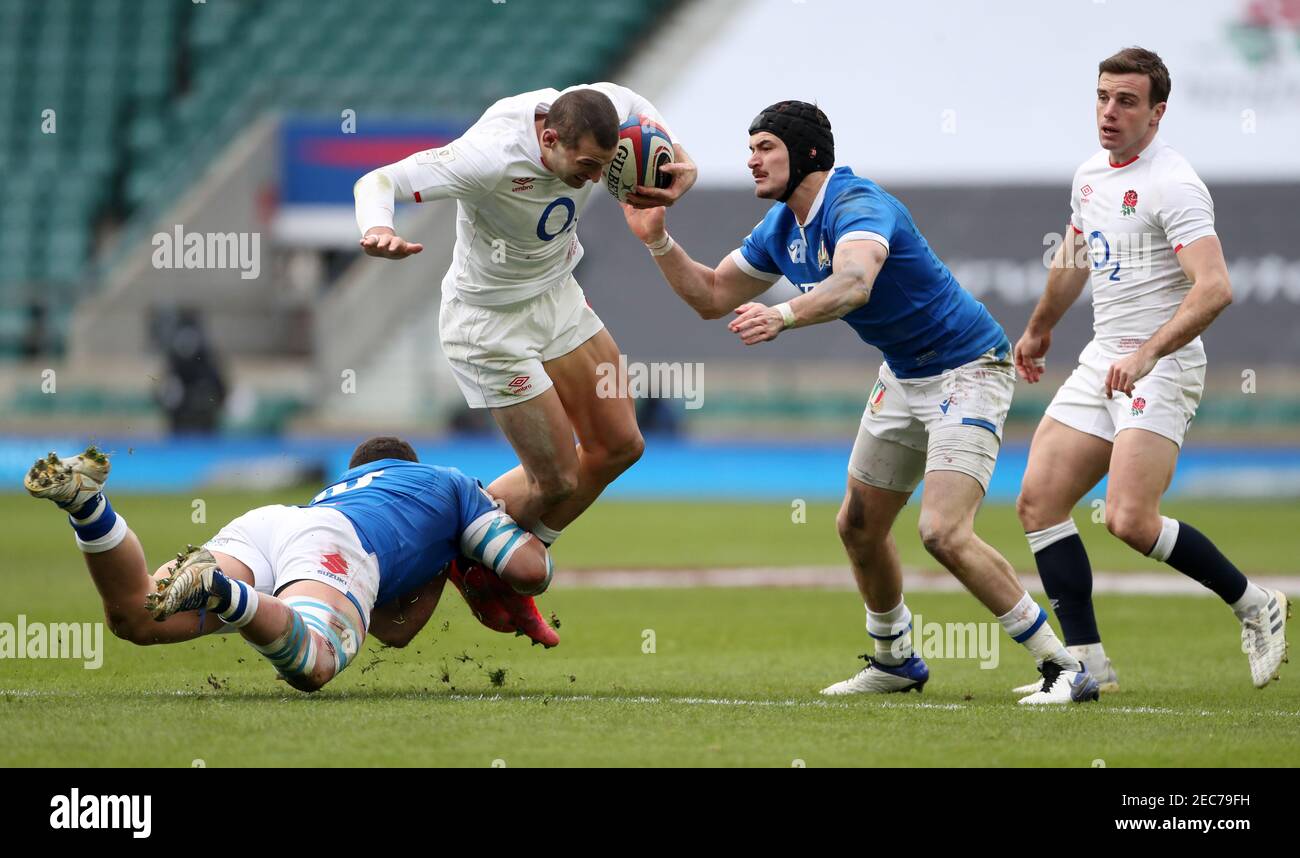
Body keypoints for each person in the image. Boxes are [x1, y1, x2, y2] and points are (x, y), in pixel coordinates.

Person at [622, 100, 1097, 704]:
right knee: (858, 525)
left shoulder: (857, 204)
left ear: (807, 154)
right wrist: (658, 240)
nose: (752, 159)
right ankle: (895, 660)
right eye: (750, 148)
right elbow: (713, 295)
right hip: (904, 375)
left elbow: (855, 282)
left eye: (765, 146)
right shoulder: (782, 227)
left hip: (967, 369)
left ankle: (1063, 668)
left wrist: (784, 314)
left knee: (943, 532)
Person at [1012, 47, 1289, 692]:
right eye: (1103, 97)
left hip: (1159, 366)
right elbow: (1075, 255)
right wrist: (1039, 326)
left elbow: (1215, 288)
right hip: (1101, 361)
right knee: (1039, 502)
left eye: (1127, 101)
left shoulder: (1175, 184)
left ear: (1158, 113)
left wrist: (1147, 354)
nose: (1110, 112)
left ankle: (1255, 604)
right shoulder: (1090, 174)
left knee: (1129, 519)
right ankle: (1087, 668)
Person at [353, 82, 696, 558]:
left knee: (621, 445)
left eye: (604, 165)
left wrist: (680, 154)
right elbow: (378, 181)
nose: (597, 180)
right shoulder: (487, 157)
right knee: (555, 481)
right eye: (587, 167)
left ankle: (496, 566)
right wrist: (377, 227)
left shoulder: (594, 108)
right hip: (491, 324)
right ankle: (442, 557)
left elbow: (632, 101)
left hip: (558, 295)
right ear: (550, 140)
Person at [23, 436, 555, 693]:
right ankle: (222, 591)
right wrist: (463, 547)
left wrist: (442, 552)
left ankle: (86, 505)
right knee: (313, 665)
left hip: (276, 524)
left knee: (137, 615)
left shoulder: (341, 489)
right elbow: (528, 570)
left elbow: (390, 628)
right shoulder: (451, 483)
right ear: (407, 465)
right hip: (338, 544)